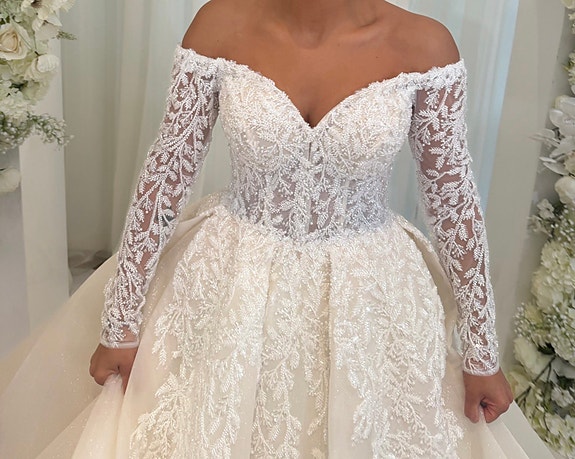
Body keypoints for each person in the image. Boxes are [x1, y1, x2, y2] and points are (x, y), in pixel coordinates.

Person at [1, 0, 526, 457]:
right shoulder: (219, 23)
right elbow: (166, 177)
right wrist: (121, 322)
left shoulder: (424, 45)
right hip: (230, 279)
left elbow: (454, 206)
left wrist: (481, 354)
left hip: (370, 292)